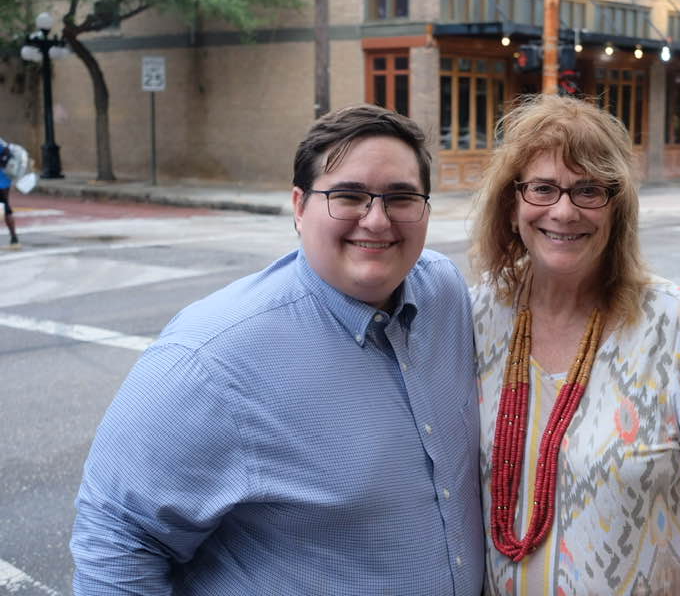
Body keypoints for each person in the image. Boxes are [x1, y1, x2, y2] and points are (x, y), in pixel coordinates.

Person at [71, 105, 484, 594]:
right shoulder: (209, 360)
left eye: (401, 197)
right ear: (298, 205)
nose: (377, 220)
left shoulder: (445, 293)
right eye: (348, 196)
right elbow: (118, 539)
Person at [471, 94, 680, 595]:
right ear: (511, 203)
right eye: (542, 188)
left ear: (617, 206)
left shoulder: (678, 325)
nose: (563, 211)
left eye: (589, 190)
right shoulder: (477, 316)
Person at [0, 138, 20, 249]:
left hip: (1, 180)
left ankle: (14, 239)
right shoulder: (2, 142)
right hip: (4, 180)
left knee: (6, 209)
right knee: (6, 208)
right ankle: (14, 238)